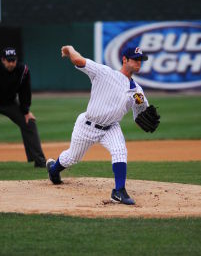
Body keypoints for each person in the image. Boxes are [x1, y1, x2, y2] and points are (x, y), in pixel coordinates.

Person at [46, 45, 160, 205]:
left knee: (120, 151)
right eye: (135, 59)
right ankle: (53, 169)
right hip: (87, 125)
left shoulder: (137, 92)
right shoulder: (104, 73)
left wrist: (145, 122)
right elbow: (79, 60)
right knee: (72, 157)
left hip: (111, 127)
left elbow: (141, 116)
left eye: (141, 60)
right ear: (125, 59)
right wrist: (70, 49)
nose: (139, 63)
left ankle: (119, 191)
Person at [0, 47, 46, 168]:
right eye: (8, 60)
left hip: (9, 103)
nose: (11, 63)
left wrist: (26, 111)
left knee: (29, 123)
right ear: (3, 60)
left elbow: (25, 91)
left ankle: (39, 161)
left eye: (13, 60)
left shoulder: (22, 70)